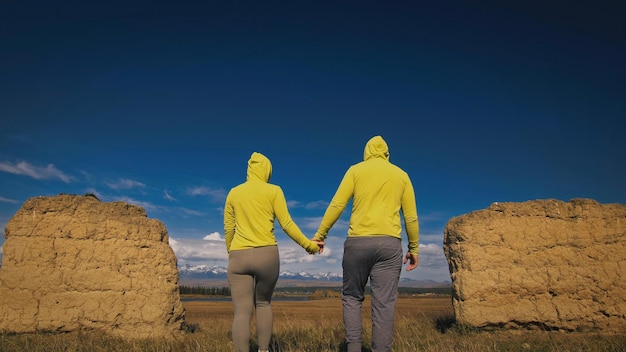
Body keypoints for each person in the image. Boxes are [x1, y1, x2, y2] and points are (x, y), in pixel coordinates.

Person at [312, 135, 419, 352]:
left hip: (357, 243)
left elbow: (337, 204)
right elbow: (411, 217)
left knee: (352, 297)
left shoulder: (355, 170)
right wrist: (414, 248)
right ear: (387, 153)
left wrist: (320, 234)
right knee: (384, 304)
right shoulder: (401, 176)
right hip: (390, 246)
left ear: (366, 151)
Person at [224, 151, 321, 352]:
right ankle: (263, 350)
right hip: (267, 256)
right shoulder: (274, 191)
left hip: (238, 255)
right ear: (267, 170)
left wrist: (232, 253)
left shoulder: (234, 193)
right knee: (263, 304)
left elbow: (229, 229)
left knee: (241, 313)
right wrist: (309, 246)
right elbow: (287, 224)